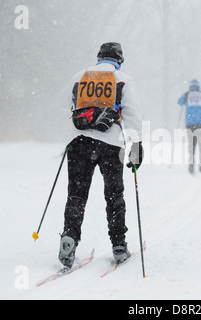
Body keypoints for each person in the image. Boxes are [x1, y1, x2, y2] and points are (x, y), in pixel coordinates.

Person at [59, 42, 143, 268]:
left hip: (79, 143)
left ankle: (69, 238)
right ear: (119, 59)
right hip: (110, 144)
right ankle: (118, 245)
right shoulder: (121, 79)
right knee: (114, 194)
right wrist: (136, 144)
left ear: (99, 57)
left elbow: (66, 104)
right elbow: (132, 114)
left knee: (76, 194)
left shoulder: (80, 76)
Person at [177, 79, 201, 174]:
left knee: (191, 145)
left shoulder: (187, 95)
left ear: (190, 86)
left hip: (190, 123)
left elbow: (179, 102)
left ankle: (191, 166)